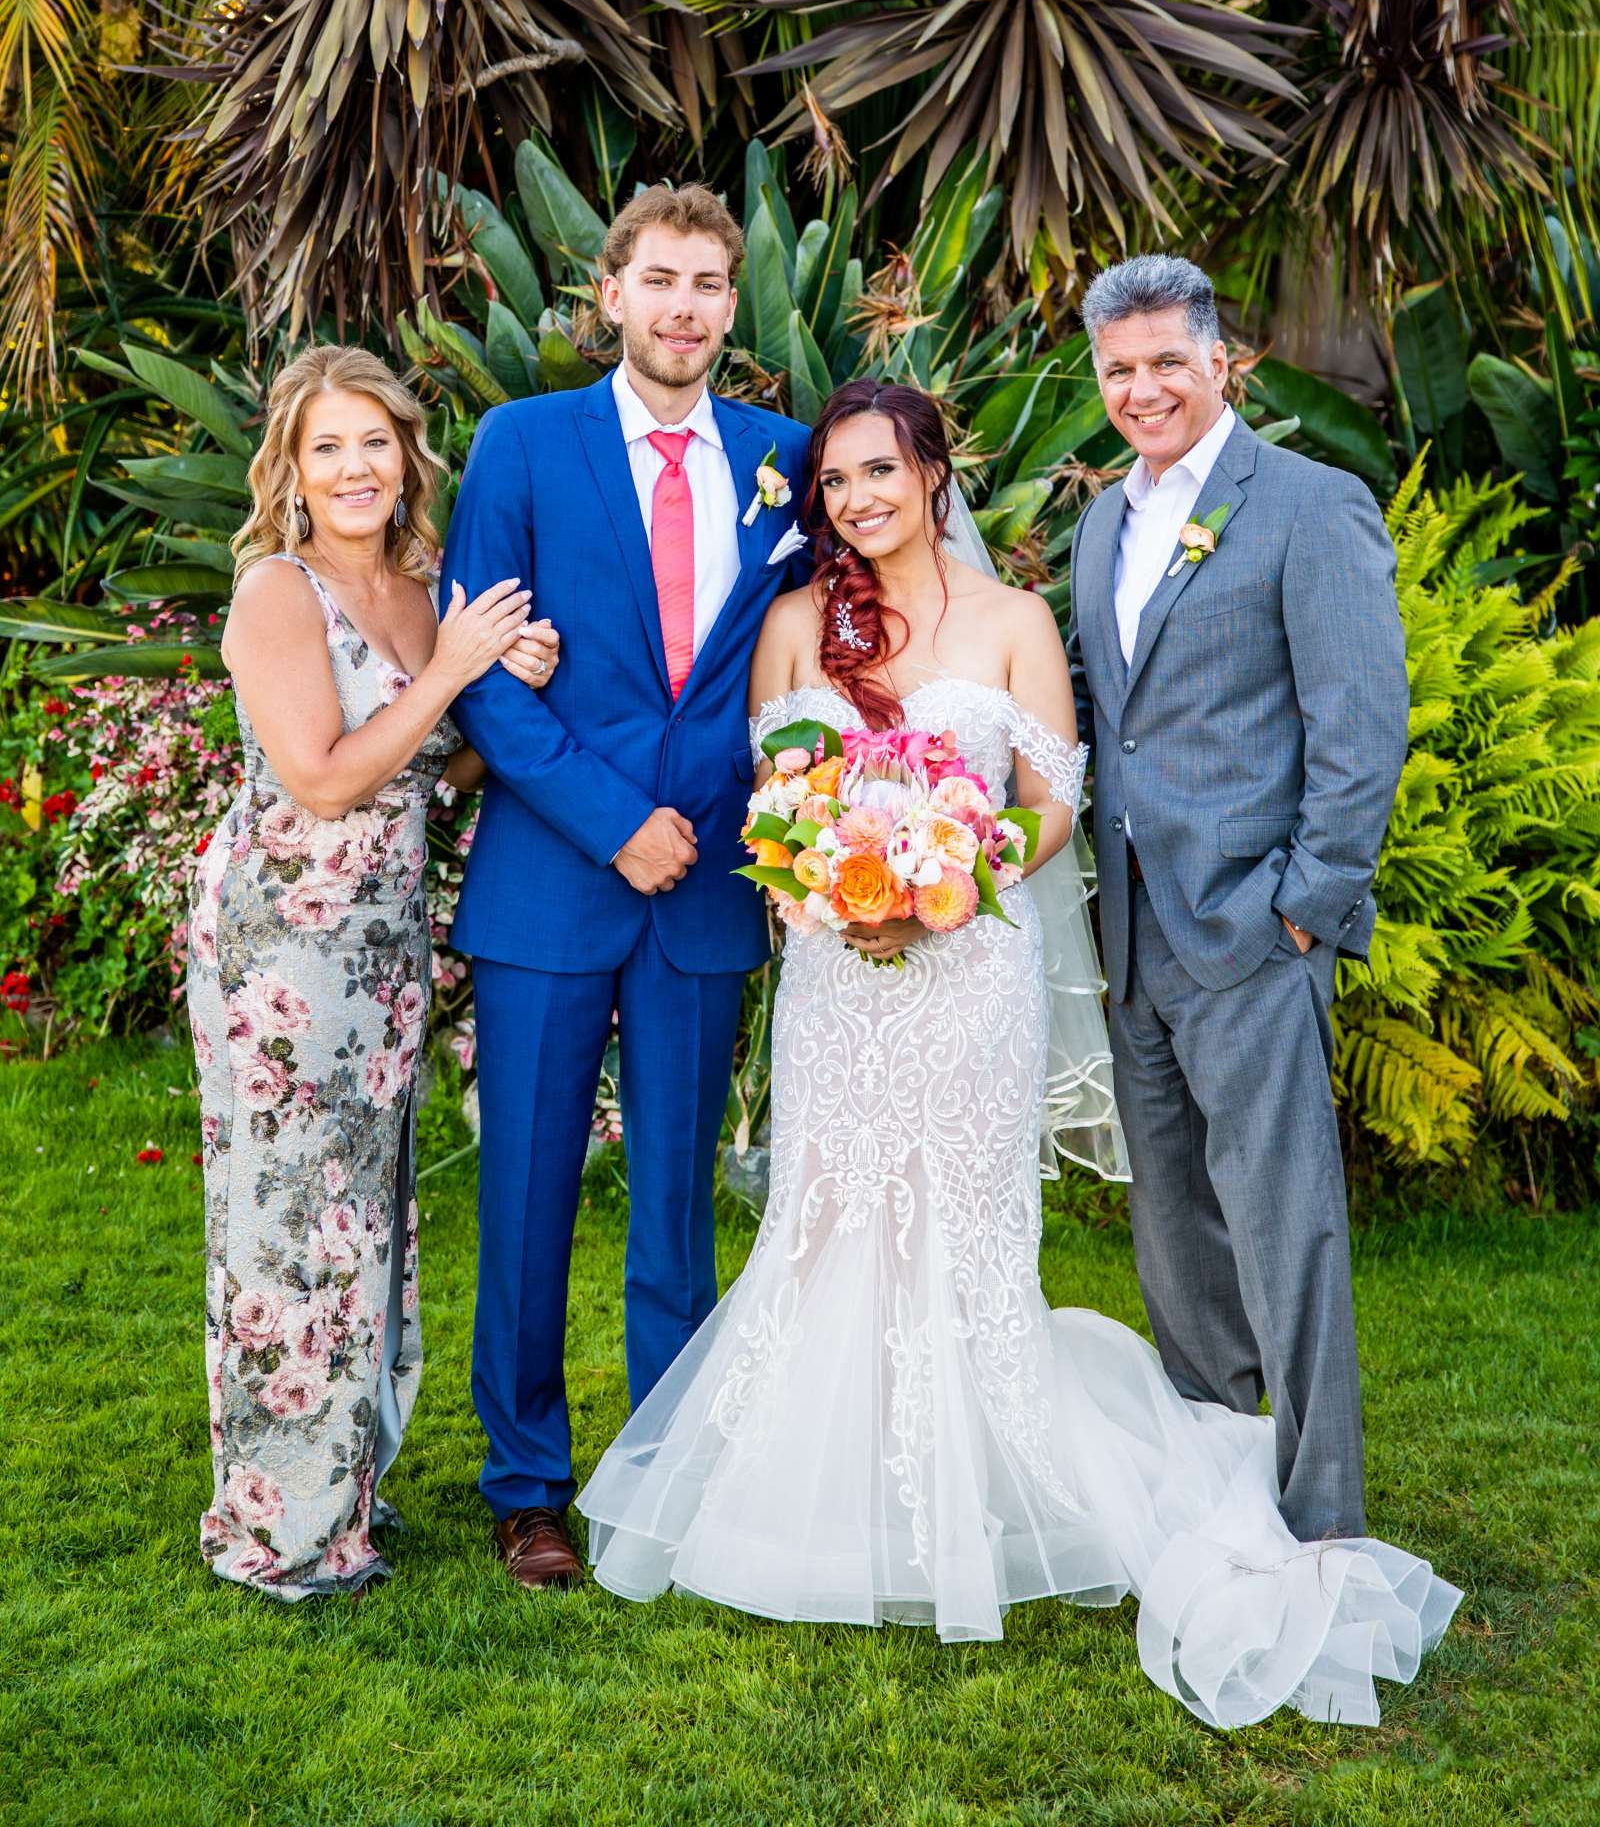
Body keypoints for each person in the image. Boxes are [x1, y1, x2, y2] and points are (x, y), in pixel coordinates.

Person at [576, 377, 1459, 1729]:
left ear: (934, 473)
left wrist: (955, 879)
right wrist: (821, 887)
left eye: (883, 471)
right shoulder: (801, 624)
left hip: (966, 961)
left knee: (965, 1226)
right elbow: (771, 799)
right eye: (837, 482)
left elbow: (1054, 800)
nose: (860, 500)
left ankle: (983, 1485)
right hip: (836, 977)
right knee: (827, 1219)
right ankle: (826, 1489)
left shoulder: (1013, 621)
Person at [440, 182, 812, 1591]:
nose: (685, 308)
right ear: (610, 296)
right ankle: (529, 1483)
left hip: (710, 882)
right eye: (660, 281)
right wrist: (613, 824)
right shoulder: (521, 445)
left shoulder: (785, 459)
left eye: (711, 284)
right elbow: (488, 677)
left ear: (733, 305)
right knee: (529, 1194)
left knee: (674, 1203)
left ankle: (667, 1474)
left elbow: (802, 662)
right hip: (554, 878)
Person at [188, 344, 557, 1598]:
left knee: (361, 1216)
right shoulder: (276, 592)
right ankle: (280, 1525)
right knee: (287, 1218)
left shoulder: (418, 588)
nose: (354, 468)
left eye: (374, 443)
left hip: (384, 939)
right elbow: (326, 774)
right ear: (291, 470)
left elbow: (423, 769)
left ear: (408, 458)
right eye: (326, 447)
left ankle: (346, 1489)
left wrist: (501, 689)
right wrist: (457, 670)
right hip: (284, 946)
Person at [1066, 253, 1404, 1546]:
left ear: (1222, 362)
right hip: (1137, 938)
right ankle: (1217, 1488)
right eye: (1118, 369)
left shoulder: (1309, 506)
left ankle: (1320, 1519)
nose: (1142, 388)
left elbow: (1361, 724)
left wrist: (1306, 907)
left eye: (1165, 361)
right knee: (1174, 1242)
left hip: (1255, 931)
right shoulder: (1106, 521)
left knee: (1286, 1237)